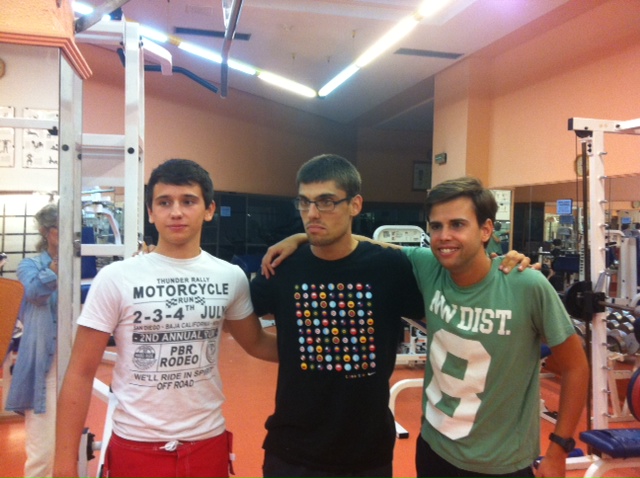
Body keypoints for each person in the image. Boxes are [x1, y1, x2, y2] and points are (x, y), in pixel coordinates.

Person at [252, 155, 532, 478]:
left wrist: (501, 268)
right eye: (304, 202)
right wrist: (300, 238)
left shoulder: (391, 267)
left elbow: (461, 275)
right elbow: (245, 324)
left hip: (367, 454)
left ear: (355, 205)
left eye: (326, 202)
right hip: (291, 453)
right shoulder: (282, 267)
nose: (313, 213)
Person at [54, 159, 278, 478]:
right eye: (164, 202)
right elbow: (80, 371)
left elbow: (256, 343)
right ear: (150, 211)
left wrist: (321, 351)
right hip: (136, 445)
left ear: (209, 209)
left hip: (207, 442)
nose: (176, 212)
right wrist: (64, 465)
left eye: (188, 201)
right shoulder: (116, 278)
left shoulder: (230, 277)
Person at [6, 202, 59, 478]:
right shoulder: (29, 265)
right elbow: (35, 293)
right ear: (46, 232)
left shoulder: (80, 264)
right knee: (41, 452)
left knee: (70, 446)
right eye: (59, 228)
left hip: (75, 362)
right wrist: (58, 266)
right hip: (43, 366)